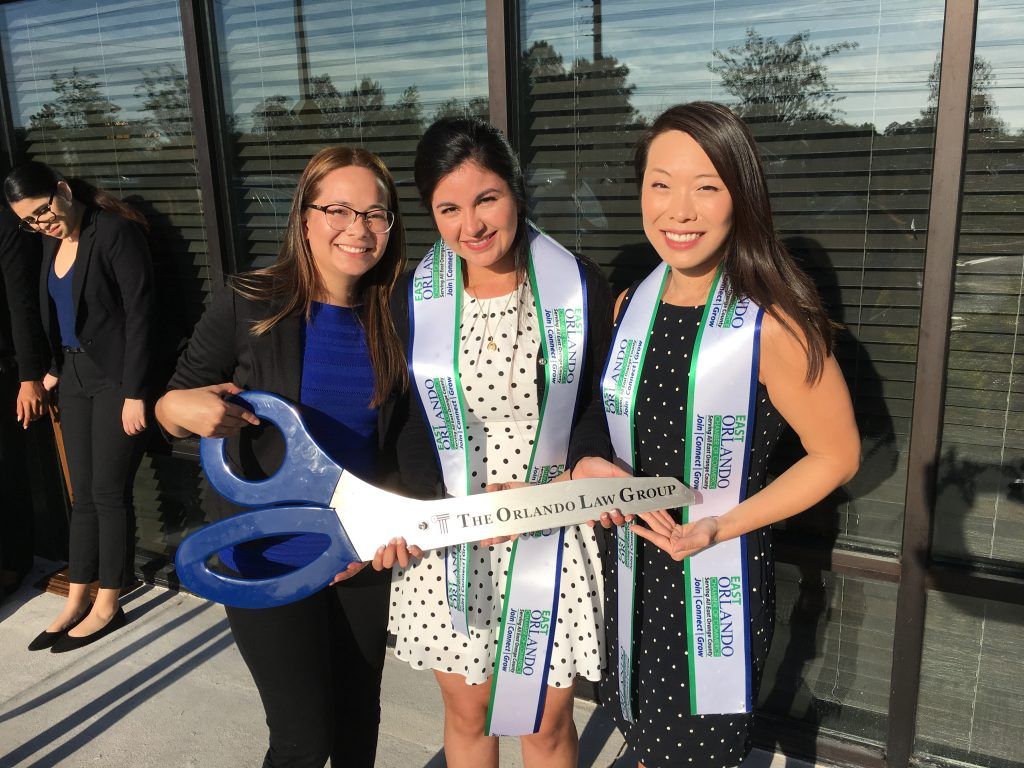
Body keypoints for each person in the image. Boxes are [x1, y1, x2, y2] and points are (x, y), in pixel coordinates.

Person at [569, 102, 861, 768]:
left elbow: (838, 455)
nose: (680, 210)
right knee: (642, 738)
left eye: (707, 186)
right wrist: (588, 460)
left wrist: (722, 527)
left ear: (742, 197)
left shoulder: (773, 323)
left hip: (711, 582)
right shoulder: (631, 302)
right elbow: (604, 410)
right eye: (661, 184)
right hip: (634, 568)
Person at [155, 146, 406, 768]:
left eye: (376, 214)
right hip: (265, 556)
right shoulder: (249, 303)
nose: (358, 228)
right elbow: (174, 406)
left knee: (357, 725)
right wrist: (180, 411)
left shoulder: (399, 314)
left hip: (358, 554)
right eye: (339, 209)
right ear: (305, 216)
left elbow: (403, 442)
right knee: (301, 740)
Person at [384, 116, 612, 768]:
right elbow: (407, 419)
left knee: (541, 723)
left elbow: (596, 404)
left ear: (515, 190)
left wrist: (556, 487)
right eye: (449, 208)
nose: (472, 225)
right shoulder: (414, 297)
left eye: (486, 199)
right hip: (453, 531)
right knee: (470, 713)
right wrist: (442, 507)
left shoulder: (576, 286)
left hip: (551, 524)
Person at [5, 162, 153, 651]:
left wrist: (135, 391)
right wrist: (49, 369)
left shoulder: (114, 232)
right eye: (28, 221)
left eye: (43, 212)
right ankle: (77, 597)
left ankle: (109, 601)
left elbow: (140, 315)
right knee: (81, 496)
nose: (41, 225)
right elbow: (62, 314)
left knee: (109, 494)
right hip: (71, 376)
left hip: (114, 380)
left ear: (63, 191)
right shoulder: (50, 241)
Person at [0, 206, 49, 599]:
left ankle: (13, 565)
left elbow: (22, 305)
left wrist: (29, 376)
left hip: (6, 369)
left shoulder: (6, 228)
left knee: (7, 470)